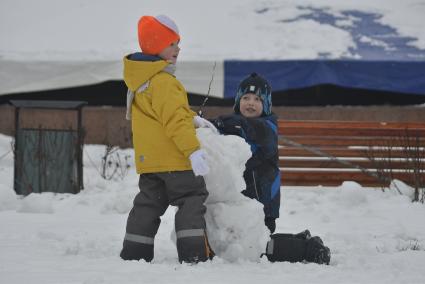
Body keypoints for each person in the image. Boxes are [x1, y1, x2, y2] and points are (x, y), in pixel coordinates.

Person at [120, 15, 216, 263]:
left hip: (150, 163)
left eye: (177, 43)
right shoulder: (165, 82)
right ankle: (193, 253)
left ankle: (135, 251)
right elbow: (175, 121)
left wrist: (192, 118)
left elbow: (160, 116)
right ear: (155, 45)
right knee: (191, 200)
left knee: (148, 205)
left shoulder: (140, 81)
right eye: (172, 43)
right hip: (176, 160)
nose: (178, 49)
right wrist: (193, 151)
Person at [213, 73, 280, 233]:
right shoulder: (234, 126)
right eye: (246, 98)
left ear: (266, 104)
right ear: (238, 101)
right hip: (239, 202)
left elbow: (247, 127)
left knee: (262, 248)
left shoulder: (268, 127)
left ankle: (306, 248)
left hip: (263, 205)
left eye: (257, 99)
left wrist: (221, 122)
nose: (251, 103)